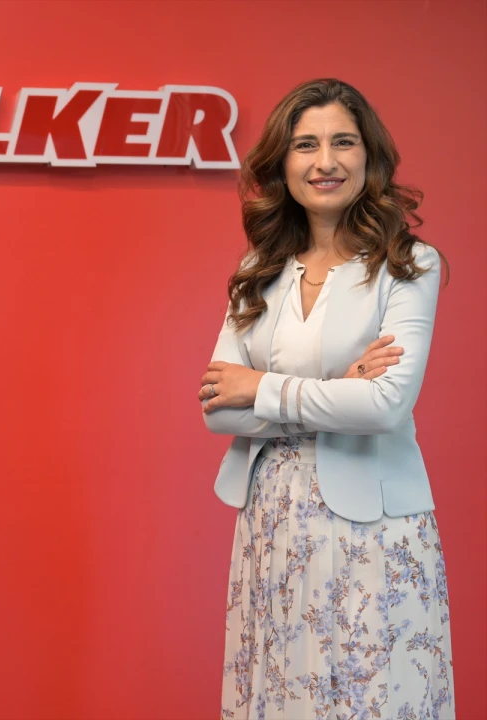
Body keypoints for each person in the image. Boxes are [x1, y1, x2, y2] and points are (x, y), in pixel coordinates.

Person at [198, 79, 455, 719]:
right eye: (305, 145)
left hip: (375, 526)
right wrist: (342, 387)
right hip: (273, 522)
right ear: (282, 163)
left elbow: (385, 406)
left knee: (374, 696)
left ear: (369, 156)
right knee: (282, 695)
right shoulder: (258, 270)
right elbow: (219, 408)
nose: (326, 161)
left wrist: (262, 387)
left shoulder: (408, 266)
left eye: (344, 141)